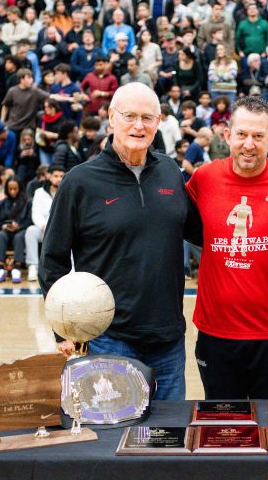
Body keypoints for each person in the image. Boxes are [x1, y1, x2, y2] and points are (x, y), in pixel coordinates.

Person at [40, 83, 200, 400]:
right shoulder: (80, 181)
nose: (138, 126)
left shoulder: (170, 171)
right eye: (129, 116)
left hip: (168, 336)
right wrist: (64, 328)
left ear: (158, 122)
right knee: (115, 438)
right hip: (109, 337)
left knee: (168, 437)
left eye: (147, 117)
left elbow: (202, 232)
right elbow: (53, 259)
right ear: (112, 118)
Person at [185, 96, 268, 400]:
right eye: (241, 134)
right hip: (216, 334)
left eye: (257, 136)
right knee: (224, 430)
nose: (248, 144)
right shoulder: (204, 179)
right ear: (227, 136)